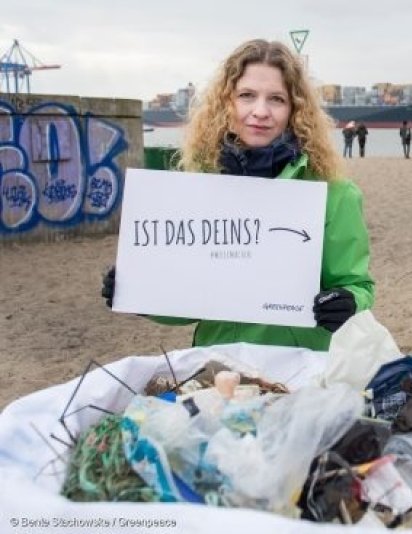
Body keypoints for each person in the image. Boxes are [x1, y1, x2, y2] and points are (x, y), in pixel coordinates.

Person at [101, 39, 374, 351]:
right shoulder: (197, 185)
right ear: (226, 103)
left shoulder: (335, 193)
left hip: (303, 366)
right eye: (246, 96)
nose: (260, 111)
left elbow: (358, 285)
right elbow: (189, 301)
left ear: (295, 110)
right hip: (219, 365)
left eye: (276, 99)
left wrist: (348, 302)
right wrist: (141, 294)